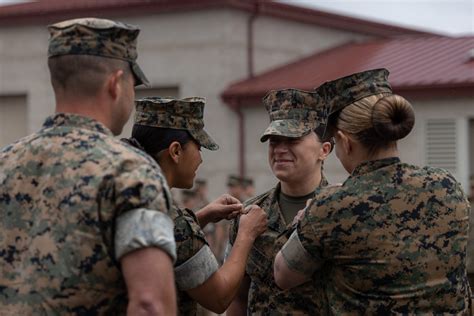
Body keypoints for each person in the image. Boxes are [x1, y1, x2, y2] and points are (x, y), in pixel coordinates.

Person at [0, 18, 177, 314]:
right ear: (115, 84)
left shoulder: (4, 164)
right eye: (134, 86)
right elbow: (150, 302)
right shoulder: (131, 174)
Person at [274, 68, 472, 314]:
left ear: (346, 142)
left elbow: (283, 275)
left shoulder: (332, 206)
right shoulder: (446, 185)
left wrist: (309, 217)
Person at [123, 96, 268, 315]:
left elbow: (160, 237)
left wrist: (200, 217)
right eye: (198, 147)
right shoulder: (172, 218)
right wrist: (246, 234)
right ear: (175, 151)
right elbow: (219, 297)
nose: (200, 159)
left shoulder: (125, 192)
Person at [227, 88, 333, 314]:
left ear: (324, 150)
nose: (280, 150)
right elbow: (238, 297)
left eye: (292, 139)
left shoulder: (339, 212)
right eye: (274, 141)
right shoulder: (249, 214)